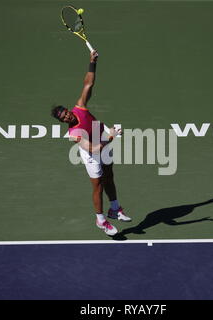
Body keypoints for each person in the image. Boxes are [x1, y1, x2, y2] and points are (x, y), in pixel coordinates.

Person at [51, 50, 131, 236]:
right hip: (92, 152)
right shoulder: (74, 134)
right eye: (64, 118)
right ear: (63, 122)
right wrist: (111, 136)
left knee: (110, 175)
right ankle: (101, 220)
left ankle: (115, 208)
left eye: (66, 112)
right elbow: (94, 149)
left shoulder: (80, 107)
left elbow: (88, 83)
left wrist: (92, 62)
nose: (68, 116)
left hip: (101, 139)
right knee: (98, 185)